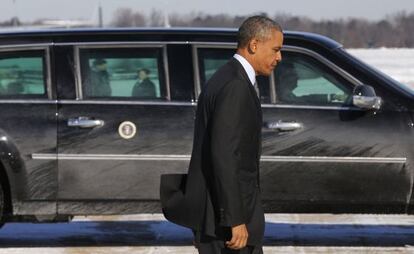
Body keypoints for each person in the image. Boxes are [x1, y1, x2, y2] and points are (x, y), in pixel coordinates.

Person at [161, 16, 283, 254]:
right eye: (276, 50)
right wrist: (235, 219)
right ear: (254, 45)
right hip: (225, 223)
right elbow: (225, 156)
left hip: (220, 216)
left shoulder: (226, 77)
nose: (279, 57)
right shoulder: (235, 86)